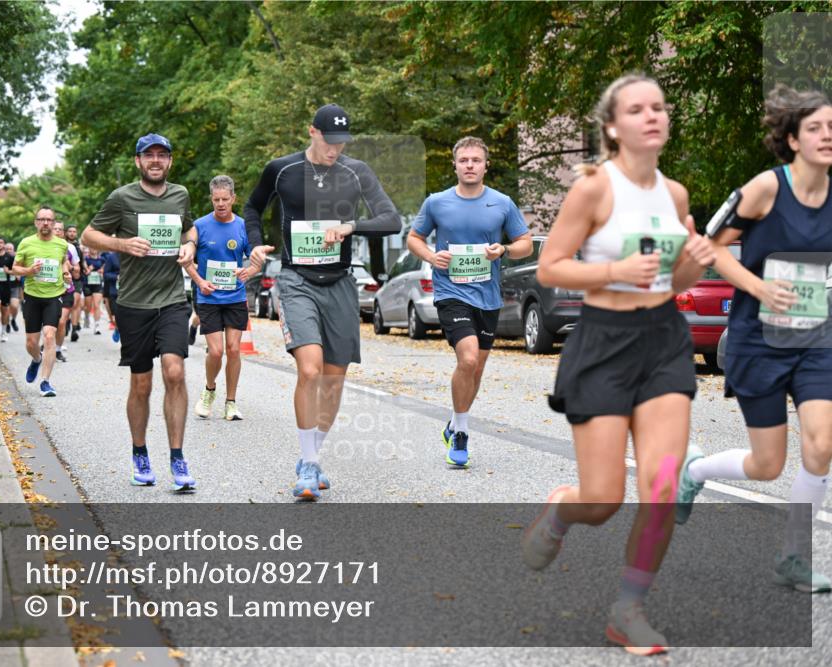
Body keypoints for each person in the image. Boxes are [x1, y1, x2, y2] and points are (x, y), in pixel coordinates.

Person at [519, 74, 715, 655]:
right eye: (637, 108)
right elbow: (551, 268)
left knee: (661, 486)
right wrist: (611, 272)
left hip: (663, 341)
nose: (652, 116)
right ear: (613, 127)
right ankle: (561, 509)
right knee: (602, 501)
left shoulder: (675, 196)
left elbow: (676, 279)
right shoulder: (594, 190)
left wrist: (695, 264)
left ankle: (628, 610)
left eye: (659, 107)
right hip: (603, 341)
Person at [676, 86, 832, 593]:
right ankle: (695, 470)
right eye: (816, 128)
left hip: (816, 340)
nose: (827, 135)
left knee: (822, 446)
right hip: (759, 339)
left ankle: (794, 556)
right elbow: (710, 248)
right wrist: (759, 285)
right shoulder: (766, 188)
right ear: (792, 139)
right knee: (768, 464)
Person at [244, 103, 401, 500]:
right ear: (312, 132)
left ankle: (311, 454)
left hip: (340, 283)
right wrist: (253, 246)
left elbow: (391, 219)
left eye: (342, 143)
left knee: (333, 379)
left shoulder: (356, 172)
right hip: (296, 280)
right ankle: (309, 463)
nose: (335, 150)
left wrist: (351, 226)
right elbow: (252, 207)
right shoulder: (281, 169)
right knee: (310, 370)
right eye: (330, 141)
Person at [81, 133, 198, 491]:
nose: (156, 161)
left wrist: (190, 245)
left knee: (174, 372)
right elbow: (88, 235)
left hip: (172, 299)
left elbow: (189, 228)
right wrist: (121, 244)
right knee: (142, 383)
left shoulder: (180, 195)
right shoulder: (122, 198)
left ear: (170, 162)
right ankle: (140, 453)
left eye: (163, 155)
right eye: (149, 155)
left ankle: (178, 459)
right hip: (133, 303)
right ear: (138, 161)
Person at [407, 136, 532, 467]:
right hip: (451, 293)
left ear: (485, 165)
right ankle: (462, 433)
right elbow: (413, 238)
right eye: (464, 160)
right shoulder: (437, 203)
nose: (470, 165)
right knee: (468, 358)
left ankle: (453, 422)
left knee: (476, 368)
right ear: (455, 164)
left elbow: (526, 244)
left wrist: (503, 250)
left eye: (476, 160)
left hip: (488, 297)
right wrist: (433, 257)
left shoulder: (502, 203)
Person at [187, 175, 257, 421]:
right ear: (211, 199)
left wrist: (249, 271)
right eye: (216, 199)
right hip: (208, 298)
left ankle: (231, 402)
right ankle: (209, 389)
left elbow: (255, 259)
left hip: (235, 296)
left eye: (225, 199)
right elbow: (187, 259)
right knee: (216, 352)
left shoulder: (242, 226)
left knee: (234, 349)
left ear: (233, 199)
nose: (220, 204)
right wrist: (199, 281)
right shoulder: (200, 225)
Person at [12, 207, 71, 397]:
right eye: (41, 219)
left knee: (49, 336)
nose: (45, 223)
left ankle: (45, 382)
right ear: (36, 222)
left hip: (54, 295)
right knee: (31, 343)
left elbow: (62, 261)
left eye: (49, 220)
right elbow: (15, 269)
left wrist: (65, 273)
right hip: (32, 296)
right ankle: (36, 359)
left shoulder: (62, 244)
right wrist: (29, 271)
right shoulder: (26, 243)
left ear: (54, 224)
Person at [52, 221, 80, 362]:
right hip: (49, 290)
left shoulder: (70, 248)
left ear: (63, 233)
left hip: (66, 289)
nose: (57, 231)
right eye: (55, 229)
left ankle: (57, 350)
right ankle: (49, 344)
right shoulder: (44, 247)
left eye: (60, 229)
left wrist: (71, 268)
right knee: (51, 322)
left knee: (62, 322)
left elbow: (77, 273)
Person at [66, 224, 85, 341]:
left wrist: (85, 268)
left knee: (75, 303)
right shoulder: (63, 245)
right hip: (66, 277)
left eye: (74, 231)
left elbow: (82, 261)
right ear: (66, 233)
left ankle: (74, 329)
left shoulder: (79, 247)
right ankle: (67, 321)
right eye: (70, 231)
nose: (72, 233)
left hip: (78, 278)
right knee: (69, 303)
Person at [83, 247, 105, 335]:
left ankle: (97, 326)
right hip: (88, 284)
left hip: (98, 284)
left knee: (96, 305)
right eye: (92, 247)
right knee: (88, 306)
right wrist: (88, 270)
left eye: (95, 247)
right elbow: (84, 271)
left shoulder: (102, 259)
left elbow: (104, 269)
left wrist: (102, 271)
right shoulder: (86, 259)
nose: (94, 249)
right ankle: (87, 315)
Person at [102, 250, 121, 342]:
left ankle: (125, 336)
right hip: (115, 292)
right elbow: (106, 274)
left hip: (130, 292)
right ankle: (117, 328)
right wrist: (117, 277)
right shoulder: (112, 257)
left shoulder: (132, 255)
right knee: (116, 317)